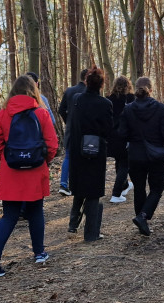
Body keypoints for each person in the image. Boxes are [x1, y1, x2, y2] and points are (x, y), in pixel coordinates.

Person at [0, 75, 59, 277]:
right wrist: (43, 161)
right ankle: (39, 253)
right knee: (36, 211)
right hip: (35, 170)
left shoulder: (3, 114)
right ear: (33, 91)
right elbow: (52, 145)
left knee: (9, 216)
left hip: (11, 173)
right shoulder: (41, 113)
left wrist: (9, 160)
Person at [117, 77, 164, 236]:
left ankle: (141, 220)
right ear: (151, 89)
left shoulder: (128, 109)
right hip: (155, 155)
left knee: (139, 188)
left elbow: (122, 134)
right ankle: (143, 216)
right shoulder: (160, 109)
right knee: (158, 187)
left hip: (135, 154)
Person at [66, 67, 114, 241]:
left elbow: (70, 121)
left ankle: (73, 224)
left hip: (78, 150)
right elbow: (109, 129)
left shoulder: (77, 99)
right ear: (102, 84)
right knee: (93, 191)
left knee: (79, 187)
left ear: (86, 82)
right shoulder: (105, 104)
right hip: (96, 151)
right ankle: (91, 233)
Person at [57, 69, 88, 196]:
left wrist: (68, 121)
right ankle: (80, 184)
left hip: (70, 129)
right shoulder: (89, 92)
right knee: (84, 157)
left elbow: (61, 110)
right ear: (86, 78)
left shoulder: (69, 90)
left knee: (68, 156)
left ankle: (63, 184)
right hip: (85, 130)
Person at [107, 76, 134, 203]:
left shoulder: (108, 100)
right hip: (124, 136)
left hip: (111, 137)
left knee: (119, 162)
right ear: (128, 86)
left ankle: (124, 186)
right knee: (124, 164)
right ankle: (116, 193)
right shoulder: (130, 99)